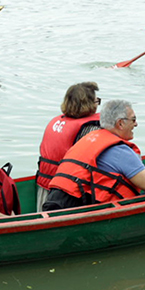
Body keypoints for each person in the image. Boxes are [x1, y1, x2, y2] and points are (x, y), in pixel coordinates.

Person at [43, 99, 145, 211]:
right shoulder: (120, 151)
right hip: (75, 207)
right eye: (133, 119)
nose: (136, 124)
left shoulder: (89, 138)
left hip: (53, 200)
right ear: (120, 123)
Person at [35, 82, 102, 211]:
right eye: (96, 101)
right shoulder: (90, 127)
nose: (97, 105)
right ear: (88, 104)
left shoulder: (56, 122)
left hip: (44, 186)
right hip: (65, 193)